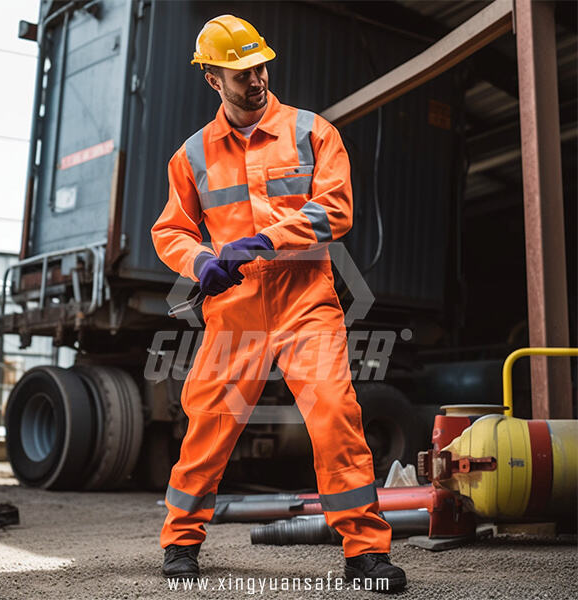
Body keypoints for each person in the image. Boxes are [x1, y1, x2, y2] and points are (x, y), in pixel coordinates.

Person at [150, 14, 407, 593]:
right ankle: (180, 542)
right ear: (212, 80)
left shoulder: (312, 132)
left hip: (305, 305)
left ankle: (365, 552)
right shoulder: (191, 157)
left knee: (336, 419)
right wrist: (200, 263)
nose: (256, 78)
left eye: (260, 65)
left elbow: (336, 209)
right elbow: (170, 231)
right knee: (208, 426)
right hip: (234, 312)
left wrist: (267, 239)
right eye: (240, 72)